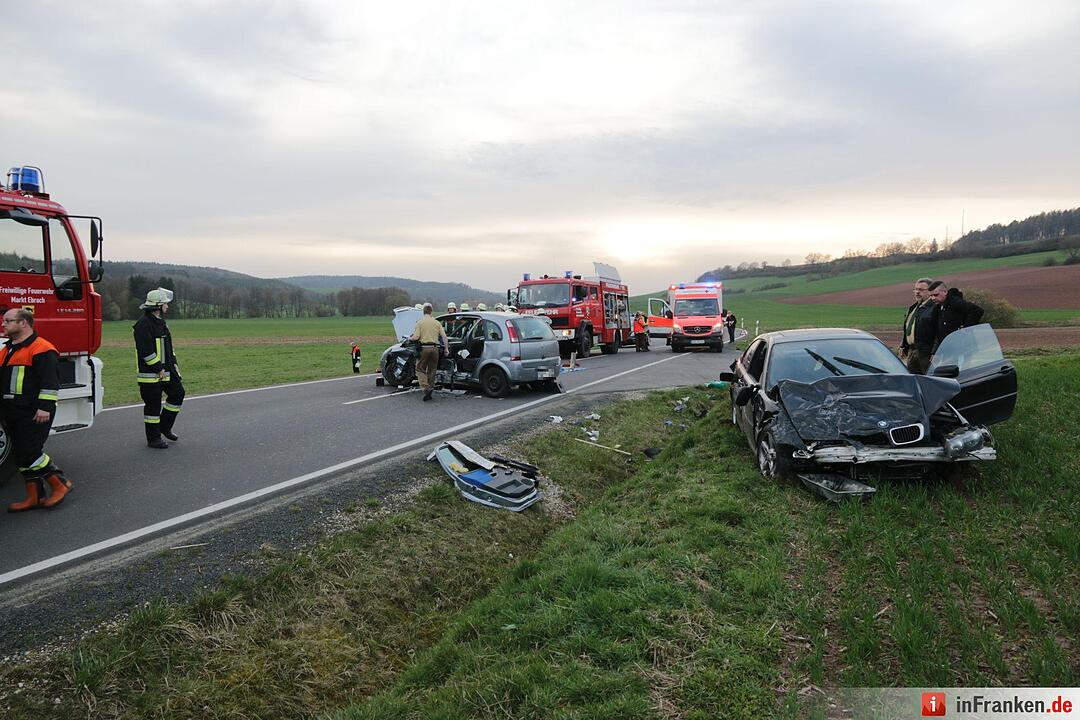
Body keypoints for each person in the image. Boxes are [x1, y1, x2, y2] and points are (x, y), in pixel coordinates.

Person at [1, 308, 72, 511]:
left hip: (33, 411)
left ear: (23, 323)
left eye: (8, 321)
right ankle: (35, 496)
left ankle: (60, 484)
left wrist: (45, 408)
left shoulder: (42, 349)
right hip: (13, 411)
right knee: (20, 455)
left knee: (30, 452)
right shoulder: (7, 349)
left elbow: (50, 383)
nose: (3, 324)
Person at [134, 288, 185, 449]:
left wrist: (174, 364)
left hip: (167, 371)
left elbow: (168, 347)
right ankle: (153, 439)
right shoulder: (143, 325)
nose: (167, 306)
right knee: (153, 407)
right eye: (165, 304)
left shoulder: (161, 323)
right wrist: (158, 368)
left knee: (178, 394)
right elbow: (145, 350)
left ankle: (164, 427)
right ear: (158, 306)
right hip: (151, 375)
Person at [928, 280, 984, 353]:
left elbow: (977, 311)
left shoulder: (955, 302)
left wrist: (966, 328)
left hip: (963, 348)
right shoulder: (937, 308)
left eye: (936, 295)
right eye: (931, 296)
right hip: (947, 348)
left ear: (945, 292)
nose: (933, 298)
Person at [409, 303, 448, 401]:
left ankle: (425, 387)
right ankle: (431, 387)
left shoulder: (420, 322)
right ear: (431, 312)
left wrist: (410, 338)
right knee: (432, 370)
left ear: (423, 312)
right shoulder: (437, 323)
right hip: (435, 349)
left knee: (419, 368)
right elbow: (444, 337)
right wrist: (446, 349)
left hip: (424, 348)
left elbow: (416, 337)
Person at [900, 278, 936, 374]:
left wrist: (934, 352)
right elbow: (909, 327)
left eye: (921, 290)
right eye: (916, 289)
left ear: (930, 291)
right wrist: (903, 345)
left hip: (926, 354)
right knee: (913, 380)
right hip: (912, 351)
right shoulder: (913, 308)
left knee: (929, 379)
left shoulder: (934, 308)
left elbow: (938, 332)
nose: (917, 292)